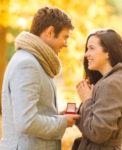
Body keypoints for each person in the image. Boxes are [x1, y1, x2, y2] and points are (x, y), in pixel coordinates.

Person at [0, 6, 80, 150]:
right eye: (65, 37)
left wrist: (56, 116)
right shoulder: (27, 64)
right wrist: (62, 122)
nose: (66, 44)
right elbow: (26, 122)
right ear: (50, 32)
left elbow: (29, 113)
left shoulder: (33, 61)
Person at [75, 28, 122, 150]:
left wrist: (87, 100)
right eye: (87, 49)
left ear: (108, 53)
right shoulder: (107, 81)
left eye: (92, 48)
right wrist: (75, 113)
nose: (86, 54)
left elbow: (97, 134)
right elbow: (90, 127)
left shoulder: (113, 83)